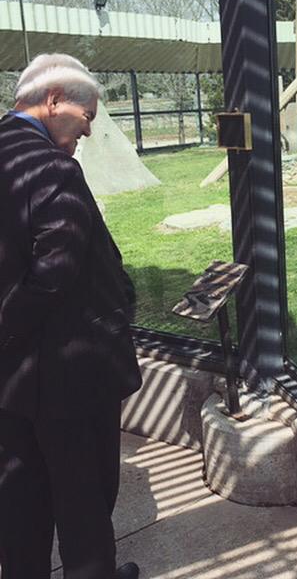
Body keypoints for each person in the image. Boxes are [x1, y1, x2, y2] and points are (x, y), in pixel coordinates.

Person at [0, 53, 142, 579]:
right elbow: (54, 271)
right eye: (87, 117)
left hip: (10, 380)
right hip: (71, 374)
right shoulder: (54, 168)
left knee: (20, 500)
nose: (87, 130)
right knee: (84, 499)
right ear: (55, 100)